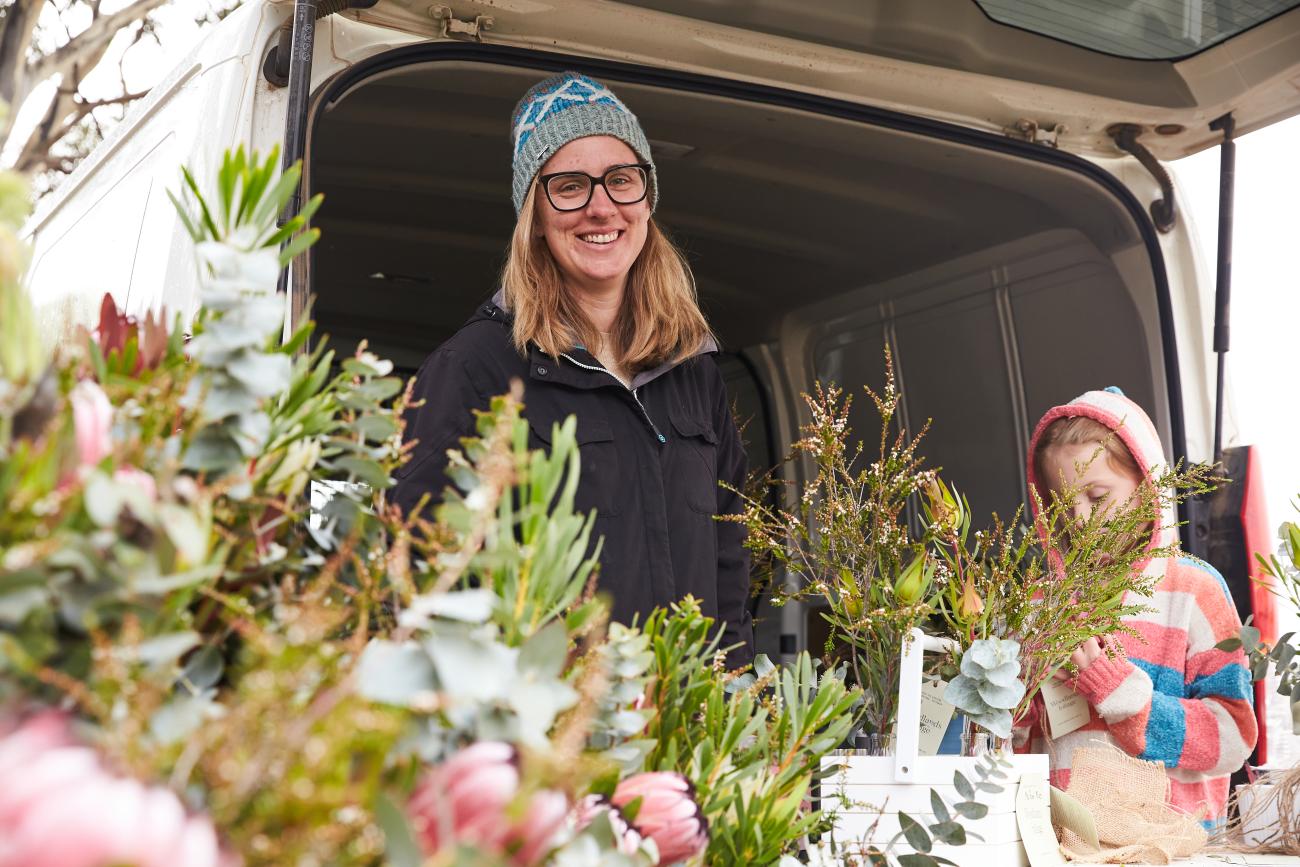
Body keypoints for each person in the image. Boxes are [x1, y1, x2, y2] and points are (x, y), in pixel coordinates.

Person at [391, 71, 754, 666]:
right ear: (533, 213)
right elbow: (419, 559)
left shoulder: (692, 368)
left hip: (685, 731)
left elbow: (728, 553)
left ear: (647, 198)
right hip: (551, 735)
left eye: (620, 179)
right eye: (569, 185)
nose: (601, 206)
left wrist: (732, 695)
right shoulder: (476, 367)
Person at [1022, 386, 1256, 824]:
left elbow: (1233, 738)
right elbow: (1014, 743)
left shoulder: (1193, 590)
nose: (1081, 521)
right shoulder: (1040, 601)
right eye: (1061, 504)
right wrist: (1018, 706)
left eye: (1097, 497)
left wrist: (1128, 700)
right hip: (1062, 847)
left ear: (1149, 489)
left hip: (1167, 848)